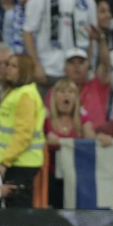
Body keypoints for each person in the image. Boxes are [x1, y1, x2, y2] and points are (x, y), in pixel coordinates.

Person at [23, 0, 98, 93]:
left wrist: (87, 66)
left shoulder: (87, 0)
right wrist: (36, 65)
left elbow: (92, 37)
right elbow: (27, 33)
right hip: (48, 70)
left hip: (76, 74)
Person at [0, 54, 46, 208]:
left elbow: (23, 135)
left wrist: (5, 162)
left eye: (14, 66)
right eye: (8, 64)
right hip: (16, 161)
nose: (8, 69)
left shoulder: (25, 95)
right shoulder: (17, 92)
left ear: (24, 70)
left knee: (17, 213)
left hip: (19, 163)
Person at [44, 78, 95, 208]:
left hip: (77, 177)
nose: (66, 95)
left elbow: (91, 140)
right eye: (61, 91)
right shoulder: (46, 118)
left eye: (70, 92)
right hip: (52, 177)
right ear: (54, 97)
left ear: (76, 98)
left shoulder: (82, 117)